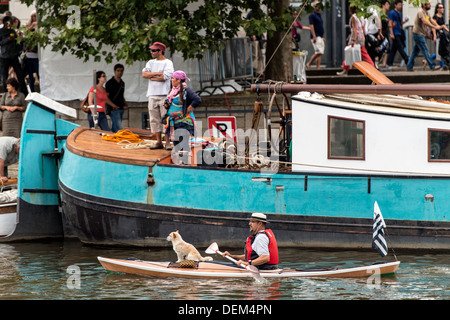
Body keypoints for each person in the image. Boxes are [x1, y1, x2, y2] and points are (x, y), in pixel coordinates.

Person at [142, 42, 174, 149]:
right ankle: (159, 141)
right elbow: (144, 74)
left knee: (166, 119)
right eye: (151, 50)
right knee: (154, 119)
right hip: (152, 95)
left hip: (164, 95)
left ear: (160, 51)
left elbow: (165, 77)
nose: (151, 52)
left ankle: (168, 142)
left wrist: (152, 76)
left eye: (154, 50)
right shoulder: (150, 62)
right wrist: (158, 74)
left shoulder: (168, 62)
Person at [337, 6, 374, 76]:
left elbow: (354, 29)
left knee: (349, 52)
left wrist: (353, 39)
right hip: (361, 37)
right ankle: (372, 66)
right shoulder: (361, 17)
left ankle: (345, 68)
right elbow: (363, 27)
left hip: (356, 37)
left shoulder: (354, 17)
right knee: (363, 53)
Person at [406, 2, 443, 71]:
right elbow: (425, 22)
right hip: (418, 34)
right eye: (428, 4)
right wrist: (435, 27)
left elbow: (431, 20)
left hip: (421, 34)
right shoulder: (421, 12)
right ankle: (432, 66)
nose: (430, 5)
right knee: (425, 49)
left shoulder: (427, 13)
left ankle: (409, 67)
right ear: (424, 5)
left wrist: (438, 26)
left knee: (415, 52)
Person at [0, 16, 27, 95]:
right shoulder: (1, 31)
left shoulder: (14, 31)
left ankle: (24, 92)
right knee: (4, 76)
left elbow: (18, 44)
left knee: (20, 75)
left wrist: (19, 39)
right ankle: (6, 93)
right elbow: (1, 42)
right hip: (4, 56)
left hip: (13, 55)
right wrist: (7, 39)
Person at [386, 0, 409, 68]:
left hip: (399, 32)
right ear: (395, 5)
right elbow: (390, 23)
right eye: (399, 5)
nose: (400, 6)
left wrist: (405, 21)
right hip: (395, 33)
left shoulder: (399, 13)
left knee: (394, 49)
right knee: (400, 47)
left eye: (401, 5)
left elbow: (399, 23)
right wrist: (392, 33)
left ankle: (389, 62)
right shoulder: (392, 13)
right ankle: (407, 60)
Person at [105, 64, 128, 132]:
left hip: (121, 107)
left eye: (121, 71)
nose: (120, 72)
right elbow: (106, 97)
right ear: (114, 71)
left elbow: (121, 95)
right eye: (118, 71)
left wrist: (125, 104)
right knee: (118, 127)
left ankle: (112, 138)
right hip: (114, 108)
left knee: (115, 127)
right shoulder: (110, 83)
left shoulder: (122, 83)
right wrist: (113, 105)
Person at [428, 3, 449, 70]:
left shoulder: (442, 17)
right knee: (439, 51)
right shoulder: (435, 17)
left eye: (442, 7)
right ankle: (441, 66)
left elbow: (443, 26)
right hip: (438, 36)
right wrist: (434, 36)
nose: (442, 9)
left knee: (439, 51)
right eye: (440, 7)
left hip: (442, 36)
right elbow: (434, 27)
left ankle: (427, 60)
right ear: (437, 9)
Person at [306, 1, 325, 70]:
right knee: (319, 51)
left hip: (320, 36)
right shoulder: (312, 15)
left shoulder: (319, 14)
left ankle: (318, 68)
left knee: (320, 53)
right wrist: (314, 36)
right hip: (316, 36)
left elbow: (320, 26)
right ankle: (309, 63)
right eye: (317, 5)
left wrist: (322, 37)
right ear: (314, 6)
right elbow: (311, 26)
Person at [24, 11, 39, 92]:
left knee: (38, 73)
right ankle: (32, 91)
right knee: (30, 75)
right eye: (33, 16)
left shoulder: (39, 28)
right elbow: (25, 36)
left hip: (37, 54)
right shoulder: (28, 27)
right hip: (29, 54)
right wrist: (31, 27)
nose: (34, 18)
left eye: (35, 16)